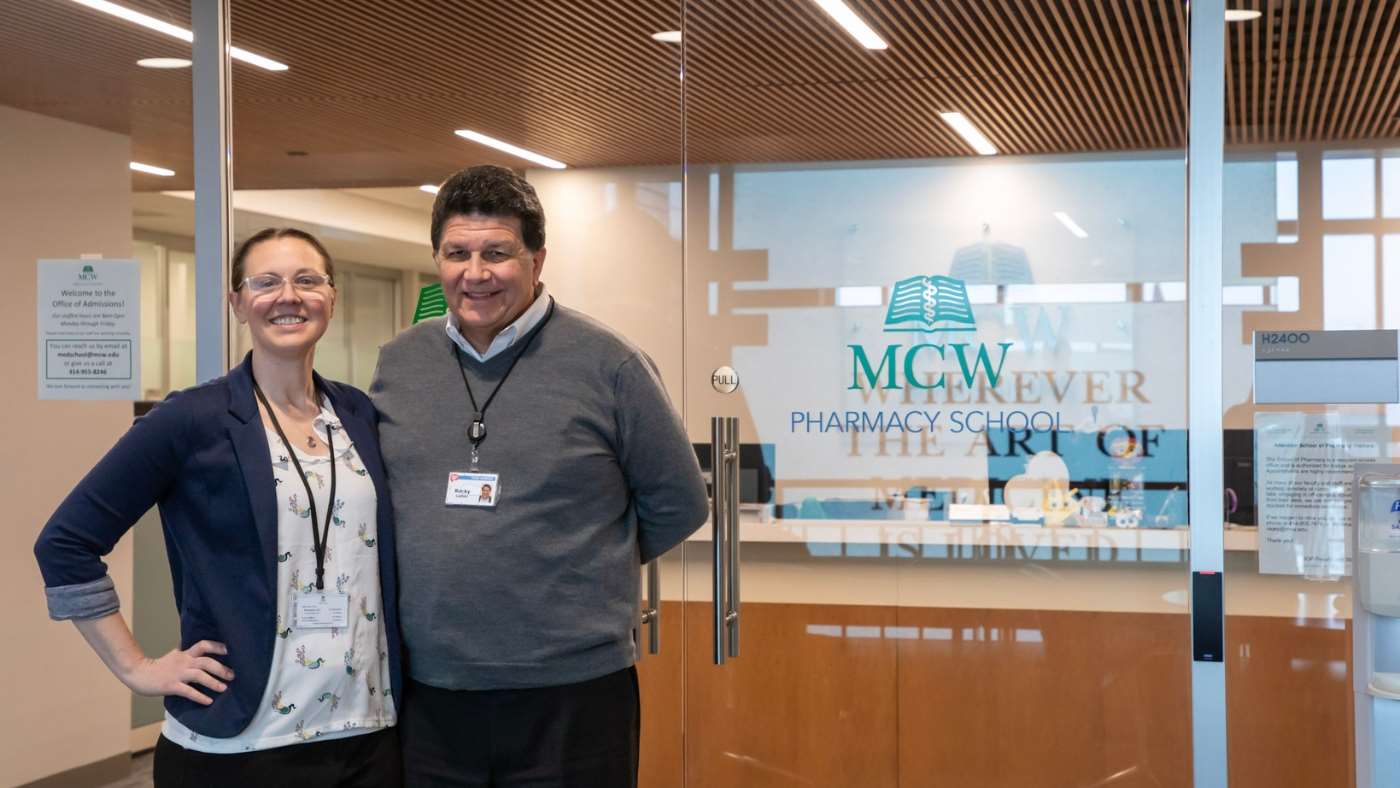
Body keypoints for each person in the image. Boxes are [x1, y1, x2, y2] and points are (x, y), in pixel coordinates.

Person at [371, 165, 708, 787]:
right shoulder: (400, 361)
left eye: (497, 253)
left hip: (573, 691)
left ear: (537, 258)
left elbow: (679, 502)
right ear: (438, 258)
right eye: (457, 253)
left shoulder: (610, 364)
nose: (475, 274)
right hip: (431, 690)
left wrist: (574, 565)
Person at [33, 228, 402, 787]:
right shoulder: (191, 420)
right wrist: (137, 667)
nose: (288, 296)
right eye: (266, 282)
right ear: (237, 303)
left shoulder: (356, 415)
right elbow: (65, 543)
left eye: (307, 280)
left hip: (367, 733)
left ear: (332, 297)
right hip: (239, 744)